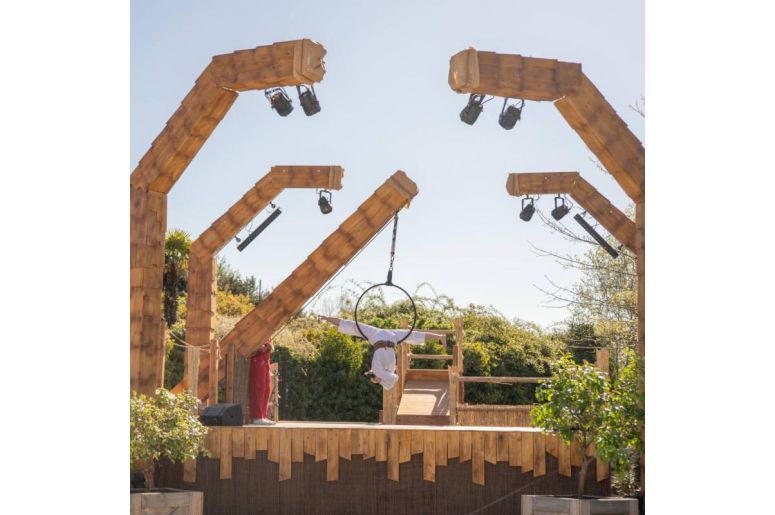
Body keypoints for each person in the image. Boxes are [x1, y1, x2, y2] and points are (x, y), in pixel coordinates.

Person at [319, 316, 446, 390]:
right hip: (388, 351)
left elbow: (348, 324)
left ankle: (440, 337)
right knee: (386, 375)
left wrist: (325, 318)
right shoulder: (386, 333)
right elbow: (416, 335)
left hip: (386, 351)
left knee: (386, 376)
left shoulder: (373, 331)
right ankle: (440, 337)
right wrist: (325, 318)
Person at [249, 337, 275, 425]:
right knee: (259, 388)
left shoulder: (268, 332)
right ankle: (257, 417)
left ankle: (263, 416)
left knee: (267, 388)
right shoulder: (258, 330)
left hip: (266, 360)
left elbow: (270, 347)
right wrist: (267, 347)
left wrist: (269, 346)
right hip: (258, 359)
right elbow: (258, 347)